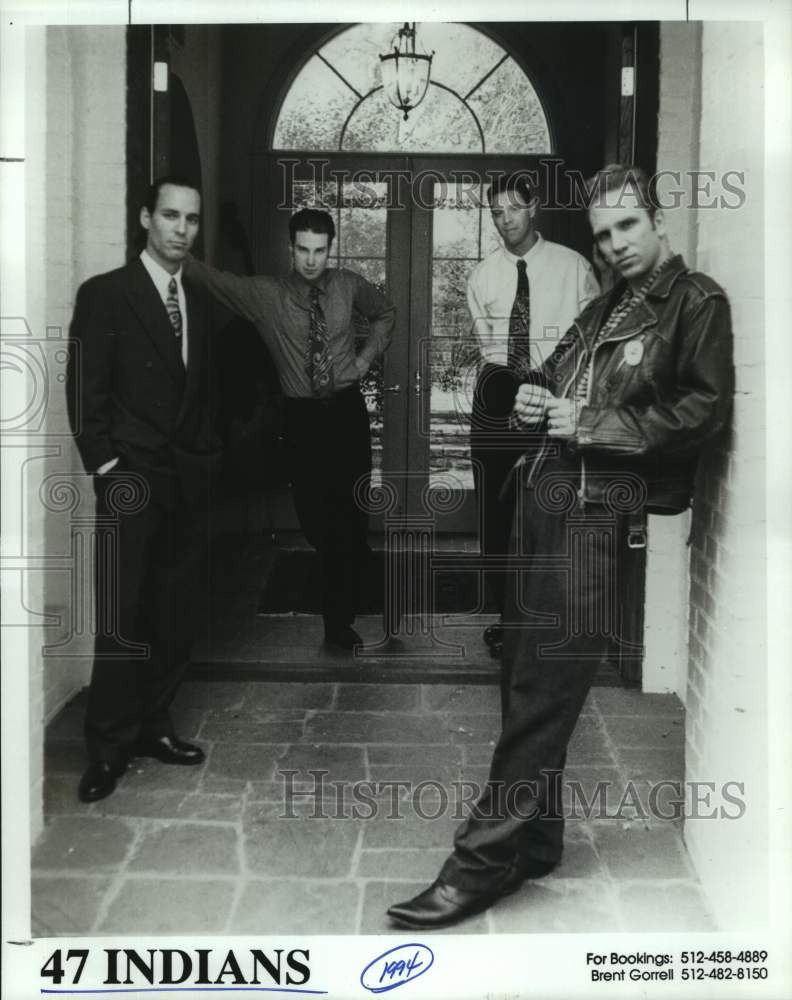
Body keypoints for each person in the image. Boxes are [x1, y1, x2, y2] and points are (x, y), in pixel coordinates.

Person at [387, 163, 735, 928]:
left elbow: (703, 411)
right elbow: (552, 378)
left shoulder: (695, 303)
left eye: (627, 227)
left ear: (656, 218)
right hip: (543, 502)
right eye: (604, 233)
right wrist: (539, 396)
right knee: (522, 670)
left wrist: (590, 425)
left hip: (594, 516)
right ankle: (537, 839)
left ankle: (478, 863)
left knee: (544, 690)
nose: (614, 245)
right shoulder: (607, 304)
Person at [66, 176, 222, 803]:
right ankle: (107, 748)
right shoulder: (106, 295)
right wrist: (106, 469)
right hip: (130, 483)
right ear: (144, 219)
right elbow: (84, 391)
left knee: (174, 614)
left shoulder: (202, 300)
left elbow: (209, 391)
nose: (181, 229)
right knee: (123, 619)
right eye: (169, 216)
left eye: (191, 219)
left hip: (186, 482)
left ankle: (155, 727)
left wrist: (211, 458)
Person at [184, 209, 395, 650]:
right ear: (290, 248)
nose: (312, 260)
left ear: (330, 249)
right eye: (303, 250)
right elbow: (214, 279)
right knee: (319, 525)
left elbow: (385, 313)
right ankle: (374, 581)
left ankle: (338, 627)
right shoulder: (265, 296)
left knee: (349, 518)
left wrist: (362, 360)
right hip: (302, 421)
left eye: (320, 250)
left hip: (345, 415)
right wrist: (169, 246)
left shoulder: (349, 285)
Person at [467, 174, 599, 658]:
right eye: (497, 213)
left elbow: (592, 341)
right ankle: (507, 619)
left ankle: (550, 620)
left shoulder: (573, 267)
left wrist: (562, 393)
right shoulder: (482, 275)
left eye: (513, 210)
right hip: (499, 391)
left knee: (553, 505)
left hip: (557, 390)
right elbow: (489, 350)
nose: (505, 221)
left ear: (534, 208)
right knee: (497, 511)